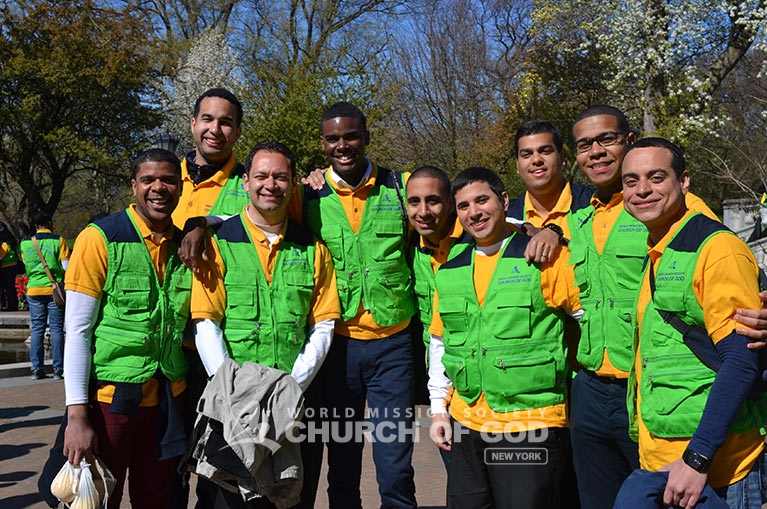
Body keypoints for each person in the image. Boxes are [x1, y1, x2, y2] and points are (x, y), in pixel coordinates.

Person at [565, 105, 723, 508]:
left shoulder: (673, 206)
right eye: (585, 144)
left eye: (607, 139)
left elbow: (725, 263)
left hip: (653, 394)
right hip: (590, 389)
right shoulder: (579, 222)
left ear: (630, 141)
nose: (596, 152)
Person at [614, 137, 767, 508]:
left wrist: (697, 457)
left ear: (684, 182)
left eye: (656, 177)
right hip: (665, 467)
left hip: (715, 473)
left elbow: (742, 360)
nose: (642, 190)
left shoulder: (716, 249)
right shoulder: (659, 250)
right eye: (631, 181)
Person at [191, 141, 341, 507]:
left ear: (292, 184)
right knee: (227, 497)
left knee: (288, 495)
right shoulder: (218, 243)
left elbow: (323, 324)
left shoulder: (312, 248)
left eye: (280, 177)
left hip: (293, 401)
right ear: (246, 181)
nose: (269, 184)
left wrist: (291, 386)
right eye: (261, 175)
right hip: (232, 401)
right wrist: (229, 388)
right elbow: (206, 320)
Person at [427, 166, 582, 508]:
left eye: (482, 200)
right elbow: (440, 342)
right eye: (464, 206)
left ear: (503, 201)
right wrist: (439, 409)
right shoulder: (451, 268)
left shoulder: (545, 256)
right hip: (467, 419)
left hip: (530, 423)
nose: (474, 212)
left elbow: (589, 321)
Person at [301, 101, 417, 508]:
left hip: (393, 345)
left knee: (395, 460)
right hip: (337, 348)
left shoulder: (402, 187)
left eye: (351, 136)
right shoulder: (308, 196)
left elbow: (460, 214)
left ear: (367, 137)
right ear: (323, 144)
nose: (343, 145)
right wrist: (199, 224)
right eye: (333, 138)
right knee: (343, 461)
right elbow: (253, 216)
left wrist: (521, 225)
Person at [62, 148, 190, 509]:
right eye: (148, 180)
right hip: (112, 400)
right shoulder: (99, 238)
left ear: (180, 187)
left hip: (167, 398)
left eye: (168, 180)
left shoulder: (185, 246)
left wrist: (202, 225)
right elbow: (78, 331)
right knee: (100, 497)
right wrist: (76, 418)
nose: (158, 188)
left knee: (155, 497)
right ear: (134, 186)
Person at [19, 211, 70, 380]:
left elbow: (26, 263)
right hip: (54, 290)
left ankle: (36, 369)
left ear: (34, 225)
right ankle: (58, 369)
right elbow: (66, 266)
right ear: (49, 222)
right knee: (56, 329)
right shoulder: (59, 240)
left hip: (33, 289)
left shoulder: (25, 243)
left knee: (37, 329)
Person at [0, 221, 21, 311]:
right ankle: (13, 305)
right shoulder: (10, 244)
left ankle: (10, 306)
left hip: (6, 267)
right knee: (10, 287)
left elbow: (1, 256)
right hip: (12, 266)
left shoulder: (4, 245)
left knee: (8, 288)